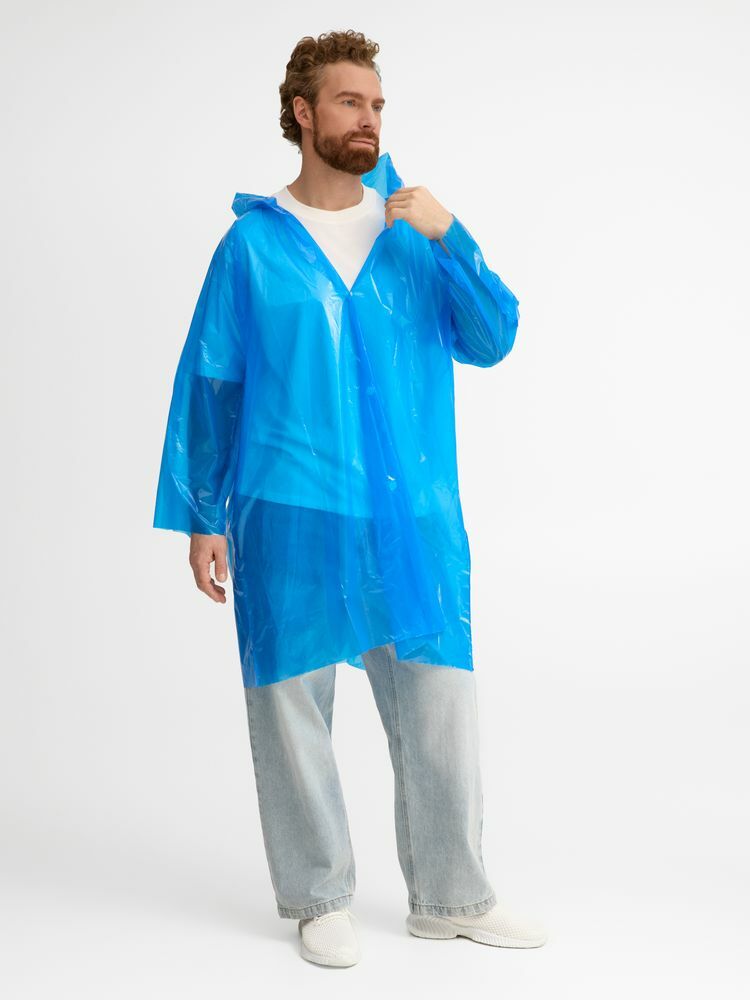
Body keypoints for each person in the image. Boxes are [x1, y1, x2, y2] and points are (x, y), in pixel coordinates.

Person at [153, 29, 547, 967]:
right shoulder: (252, 247)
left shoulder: (412, 233)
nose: (368, 119)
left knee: (438, 701)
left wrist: (452, 235)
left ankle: (451, 896)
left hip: (411, 515)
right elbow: (212, 382)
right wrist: (203, 514)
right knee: (292, 702)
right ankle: (317, 894)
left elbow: (492, 338)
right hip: (289, 506)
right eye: (348, 102)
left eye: (376, 105)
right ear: (302, 114)